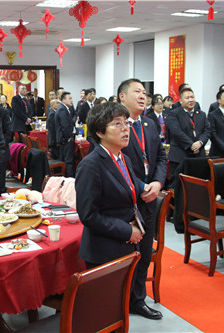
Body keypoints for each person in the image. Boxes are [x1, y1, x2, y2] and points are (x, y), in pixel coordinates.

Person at [75, 101, 145, 276]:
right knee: (108, 302)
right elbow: (89, 215)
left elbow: (131, 198)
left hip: (127, 242)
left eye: (126, 122)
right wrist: (128, 231)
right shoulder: (91, 165)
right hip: (104, 248)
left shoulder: (124, 159)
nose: (125, 128)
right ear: (99, 132)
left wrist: (138, 228)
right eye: (117, 123)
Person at [119, 78, 167, 320]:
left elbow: (160, 157)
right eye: (136, 91)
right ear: (122, 97)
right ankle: (118, 299)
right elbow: (113, 164)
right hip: (125, 201)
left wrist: (157, 183)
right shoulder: (114, 126)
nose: (142, 96)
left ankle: (137, 300)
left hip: (149, 199)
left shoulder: (149, 124)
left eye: (144, 92)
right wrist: (140, 187)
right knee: (125, 254)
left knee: (145, 254)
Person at [165, 88, 212, 175]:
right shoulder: (174, 114)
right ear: (181, 101)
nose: (190, 100)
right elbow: (176, 132)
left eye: (192, 97)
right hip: (180, 155)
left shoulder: (201, 114)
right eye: (187, 98)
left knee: (198, 182)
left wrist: (200, 142)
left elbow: (207, 130)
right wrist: (191, 145)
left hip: (199, 156)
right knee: (177, 184)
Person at [56, 91, 76, 177]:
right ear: (63, 100)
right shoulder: (62, 109)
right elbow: (65, 125)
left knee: (66, 160)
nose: (72, 100)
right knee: (68, 161)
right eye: (70, 98)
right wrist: (69, 137)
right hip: (65, 139)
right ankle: (69, 181)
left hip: (64, 138)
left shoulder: (64, 109)